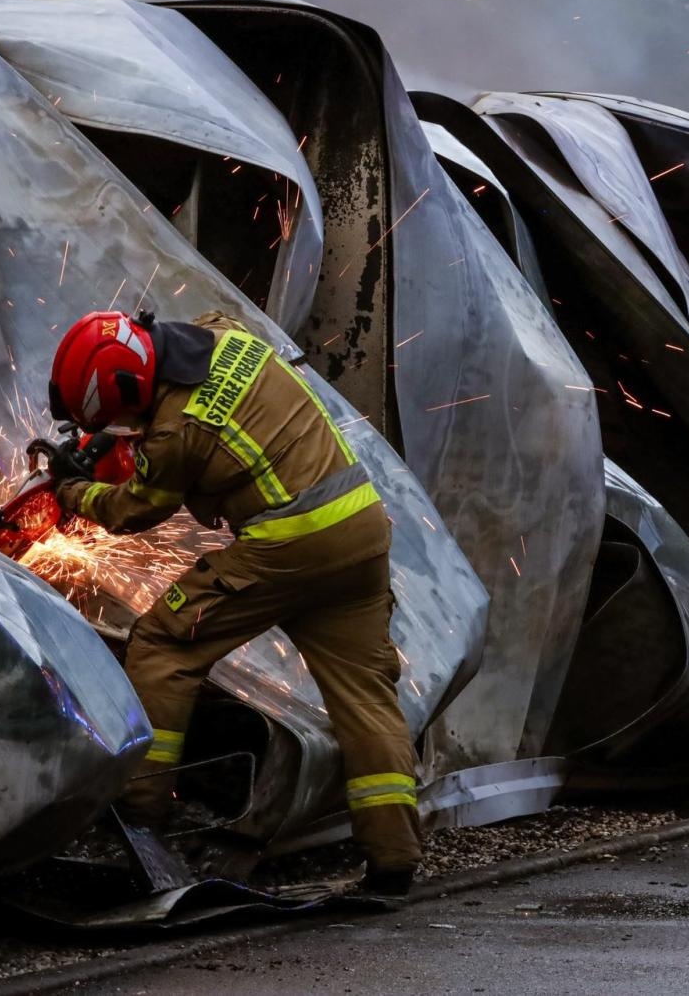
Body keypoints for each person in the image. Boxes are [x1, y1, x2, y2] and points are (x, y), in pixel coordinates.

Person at [44, 308, 420, 898]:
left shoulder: (173, 434)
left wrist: (72, 489)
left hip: (288, 545)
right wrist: (116, 436)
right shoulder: (225, 336)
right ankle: (394, 860)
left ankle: (140, 819)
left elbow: (134, 510)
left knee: (165, 644)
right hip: (360, 532)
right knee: (363, 695)